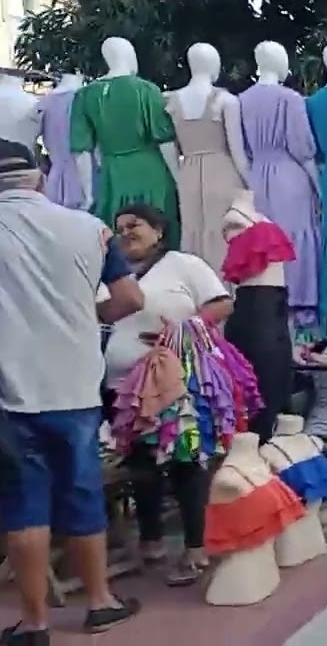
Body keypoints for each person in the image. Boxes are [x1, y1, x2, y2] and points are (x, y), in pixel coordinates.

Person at [0, 138, 141, 645]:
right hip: (76, 386)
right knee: (81, 490)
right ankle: (100, 602)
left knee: (23, 503)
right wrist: (86, 318)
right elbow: (129, 298)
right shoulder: (91, 229)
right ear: (38, 177)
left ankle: (35, 625)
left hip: (8, 393)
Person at [104, 202, 234, 587]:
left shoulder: (183, 265)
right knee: (140, 465)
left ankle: (195, 546)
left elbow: (222, 303)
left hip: (176, 384)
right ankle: (151, 542)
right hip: (123, 388)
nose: (126, 232)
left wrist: (180, 330)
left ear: (158, 231)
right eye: (120, 227)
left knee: (185, 461)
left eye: (135, 225)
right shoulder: (112, 273)